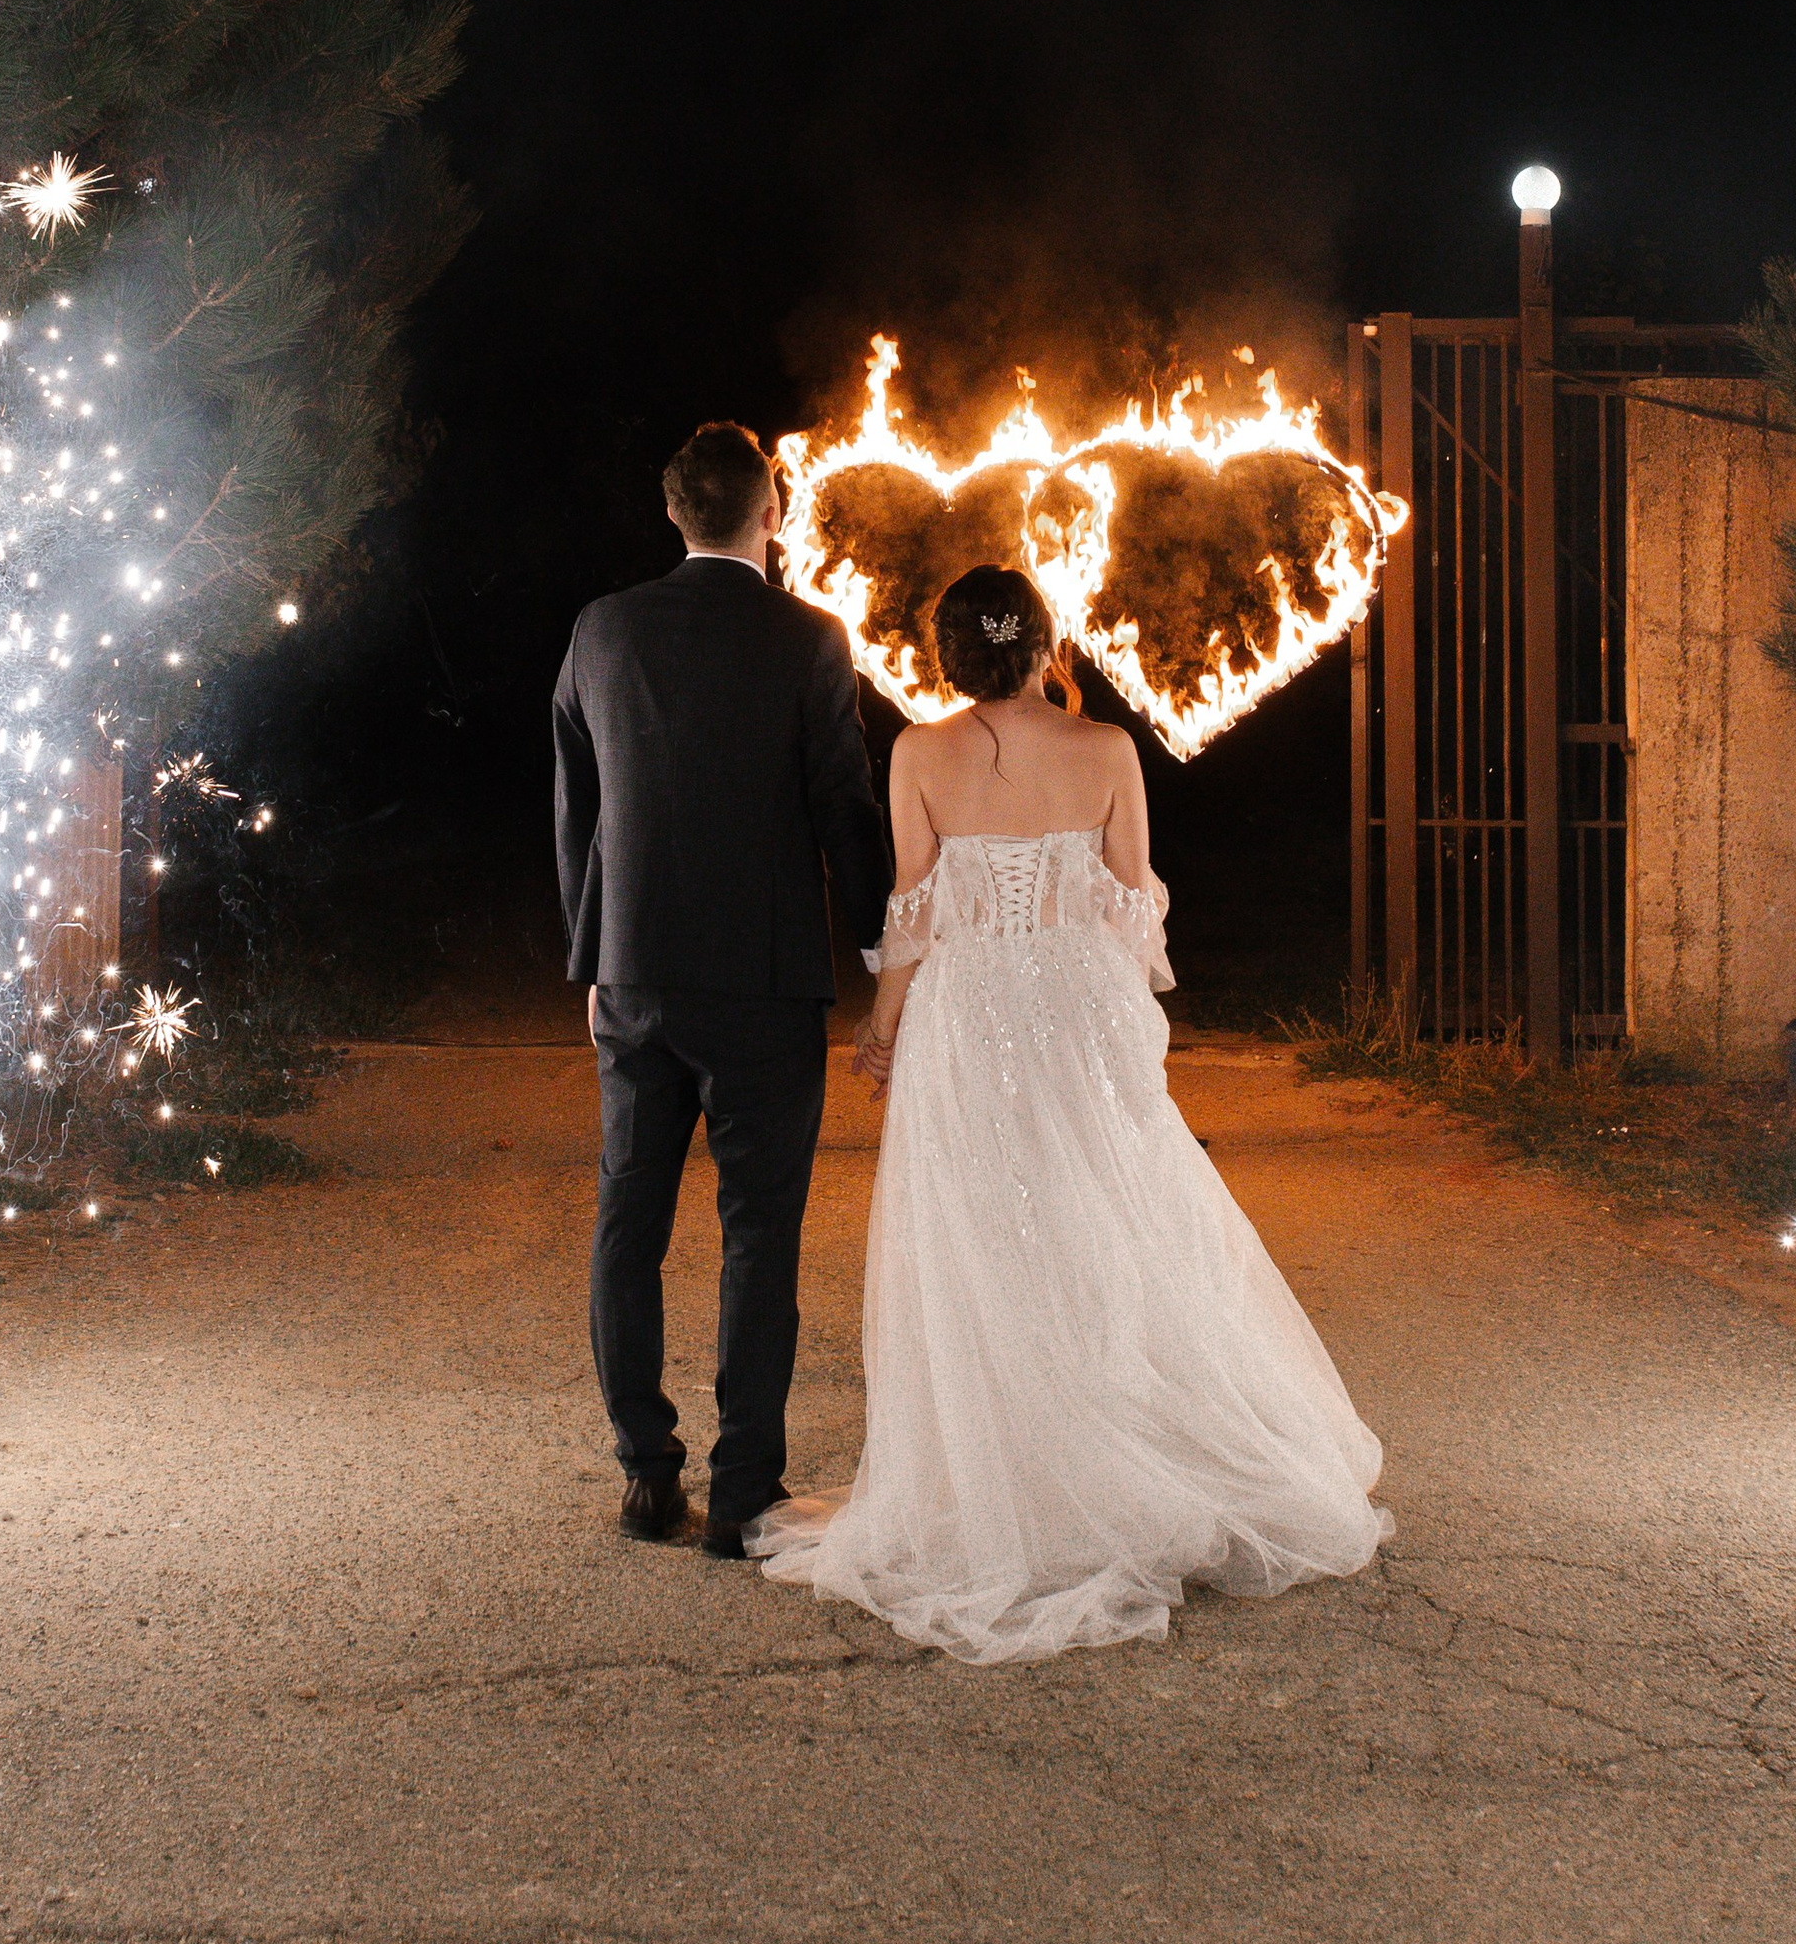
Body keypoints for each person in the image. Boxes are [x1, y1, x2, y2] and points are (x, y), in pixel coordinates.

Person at [751, 563, 1391, 1662]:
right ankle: (1121, 1450)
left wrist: (881, 1025)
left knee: (983, 1232)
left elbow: (911, 913)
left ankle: (1012, 1478)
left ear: (950, 654)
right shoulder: (1106, 752)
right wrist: (1121, 1022)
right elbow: (1130, 900)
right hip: (1074, 1010)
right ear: (1042, 648)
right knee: (1105, 1216)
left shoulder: (916, 753)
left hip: (968, 1014)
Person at [554, 420, 890, 1557]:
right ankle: (743, 1489)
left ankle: (646, 1471)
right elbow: (844, 808)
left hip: (635, 972)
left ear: (672, 512)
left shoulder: (603, 630)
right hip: (763, 982)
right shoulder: (809, 639)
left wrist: (589, 953)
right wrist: (890, 951)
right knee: (760, 1236)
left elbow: (577, 804)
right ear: (773, 508)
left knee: (626, 1221)